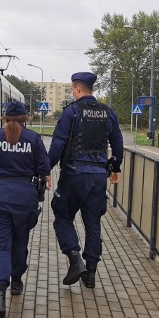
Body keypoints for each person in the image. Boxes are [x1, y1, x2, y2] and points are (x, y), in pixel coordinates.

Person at [0, 100, 51, 318]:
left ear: (5, 118)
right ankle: (16, 280)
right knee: (20, 241)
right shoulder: (33, 139)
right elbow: (44, 168)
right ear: (25, 119)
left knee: (0, 244)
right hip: (25, 200)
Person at [48, 72, 123, 289]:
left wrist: (44, 170)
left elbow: (57, 146)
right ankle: (90, 274)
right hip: (99, 177)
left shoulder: (72, 112)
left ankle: (74, 259)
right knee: (93, 223)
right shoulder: (108, 113)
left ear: (77, 89)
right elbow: (117, 144)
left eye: (73, 89)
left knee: (62, 215)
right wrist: (115, 168)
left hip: (73, 175)